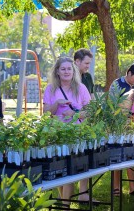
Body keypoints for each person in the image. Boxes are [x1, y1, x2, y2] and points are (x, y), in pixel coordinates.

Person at [43, 57, 92, 204]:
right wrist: (57, 104)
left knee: (70, 170)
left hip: (75, 134)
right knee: (59, 168)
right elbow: (46, 114)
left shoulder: (81, 88)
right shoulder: (50, 89)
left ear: (73, 71)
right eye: (63, 69)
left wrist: (74, 114)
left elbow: (90, 112)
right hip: (56, 134)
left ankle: (65, 204)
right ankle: (64, 199)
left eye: (69, 69)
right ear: (57, 71)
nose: (66, 71)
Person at [109, 63, 134, 197]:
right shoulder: (116, 84)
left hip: (132, 126)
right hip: (117, 125)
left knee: (131, 155)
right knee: (117, 156)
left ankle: (132, 188)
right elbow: (111, 105)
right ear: (128, 73)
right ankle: (116, 188)